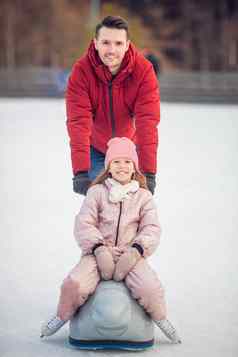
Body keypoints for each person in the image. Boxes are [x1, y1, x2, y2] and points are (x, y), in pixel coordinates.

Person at [41, 137, 181, 344]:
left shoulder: (143, 197)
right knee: (74, 284)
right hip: (97, 254)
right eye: (116, 162)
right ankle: (61, 316)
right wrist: (98, 249)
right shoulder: (96, 192)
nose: (122, 166)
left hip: (131, 255)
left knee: (150, 287)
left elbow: (151, 228)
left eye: (127, 162)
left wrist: (136, 251)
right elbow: (84, 223)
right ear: (108, 167)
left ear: (134, 168)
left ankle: (161, 319)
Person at [66, 15, 160, 196]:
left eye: (118, 43)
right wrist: (80, 171)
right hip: (95, 148)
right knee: (101, 205)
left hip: (129, 149)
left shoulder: (144, 70)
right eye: (106, 43)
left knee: (131, 209)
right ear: (95, 43)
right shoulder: (81, 71)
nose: (111, 50)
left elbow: (147, 122)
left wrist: (148, 172)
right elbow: (78, 122)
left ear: (127, 44)